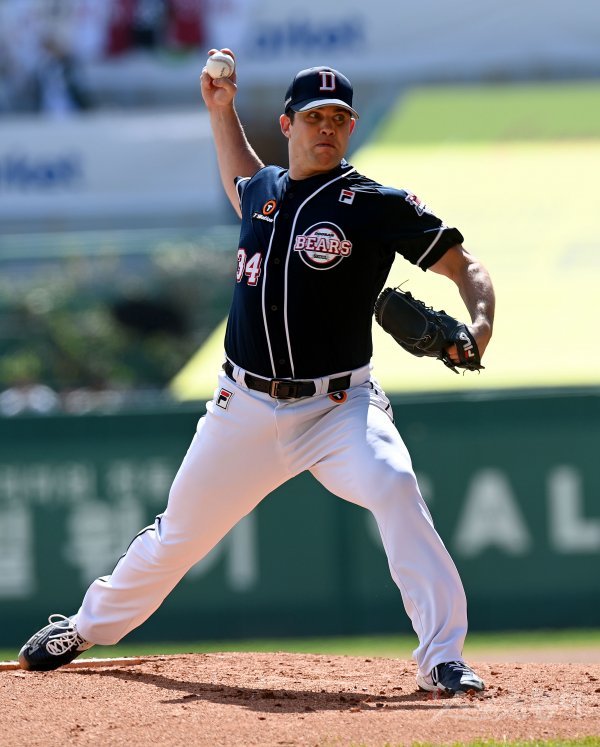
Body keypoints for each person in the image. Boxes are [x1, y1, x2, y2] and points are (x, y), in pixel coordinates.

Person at [18, 49, 495, 695]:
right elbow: (240, 171)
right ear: (288, 123)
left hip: (338, 408)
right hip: (241, 405)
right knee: (178, 534)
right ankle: (84, 625)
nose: (327, 127)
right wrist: (221, 108)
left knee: (393, 484)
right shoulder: (262, 192)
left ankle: (442, 657)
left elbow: (465, 265)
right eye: (314, 116)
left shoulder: (375, 204)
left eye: (339, 118)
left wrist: (480, 324)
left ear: (351, 128)